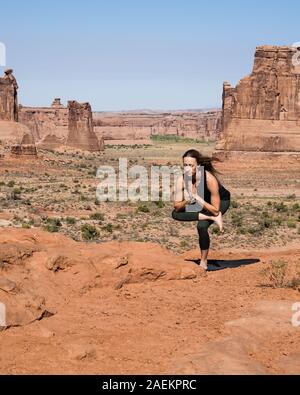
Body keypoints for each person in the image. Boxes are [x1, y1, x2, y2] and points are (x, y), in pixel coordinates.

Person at [172, 149, 231, 270]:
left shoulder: (209, 179)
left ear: (198, 165)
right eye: (185, 165)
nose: (187, 168)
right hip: (203, 204)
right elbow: (177, 207)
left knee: (202, 226)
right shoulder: (182, 179)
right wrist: (188, 200)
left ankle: (203, 262)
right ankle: (211, 218)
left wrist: (197, 198)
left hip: (220, 203)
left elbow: (215, 210)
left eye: (191, 165)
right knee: (175, 214)